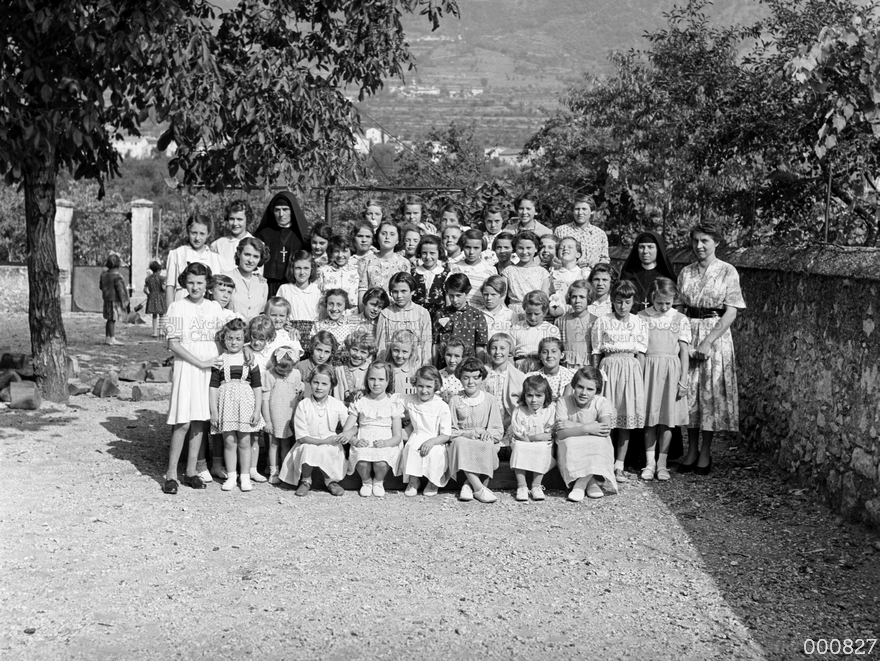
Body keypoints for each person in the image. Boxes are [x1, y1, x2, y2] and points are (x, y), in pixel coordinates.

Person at [676, 222, 746, 475]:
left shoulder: (728, 271)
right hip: (688, 332)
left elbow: (731, 312)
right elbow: (679, 308)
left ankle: (706, 451)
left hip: (714, 336)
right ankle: (690, 449)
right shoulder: (685, 272)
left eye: (705, 240)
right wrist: (682, 340)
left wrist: (707, 341)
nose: (699, 245)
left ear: (716, 242)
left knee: (709, 393)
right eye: (695, 240)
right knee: (689, 393)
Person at [163, 263, 224, 494]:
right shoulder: (176, 307)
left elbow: (221, 338)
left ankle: (191, 472)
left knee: (200, 420)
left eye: (200, 282)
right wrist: (199, 362)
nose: (195, 287)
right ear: (184, 283)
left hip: (209, 369)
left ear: (207, 284)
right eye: (190, 282)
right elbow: (172, 343)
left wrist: (218, 360)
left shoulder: (214, 307)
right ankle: (170, 473)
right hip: (187, 368)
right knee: (183, 421)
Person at [592, 279, 648, 483]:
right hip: (608, 370)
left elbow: (641, 353)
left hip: (630, 371)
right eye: (618, 302)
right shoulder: (602, 321)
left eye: (627, 302)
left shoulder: (639, 322)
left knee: (625, 419)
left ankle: (619, 465)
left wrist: (638, 380)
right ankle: (603, 462)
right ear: (612, 301)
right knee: (607, 418)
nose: (622, 306)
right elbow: (596, 353)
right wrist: (596, 379)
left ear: (633, 301)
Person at [639, 277, 691, 481]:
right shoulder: (643, 317)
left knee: (667, 421)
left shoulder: (680, 319)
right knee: (650, 420)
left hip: (671, 371)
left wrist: (683, 380)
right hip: (649, 371)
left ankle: (662, 463)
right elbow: (641, 351)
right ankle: (649, 462)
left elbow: (684, 352)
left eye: (668, 303)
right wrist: (640, 377)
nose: (663, 307)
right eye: (659, 302)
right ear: (652, 297)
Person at [209, 318, 263, 493]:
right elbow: (213, 387)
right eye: (230, 338)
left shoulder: (249, 359)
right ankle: (232, 476)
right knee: (229, 441)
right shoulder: (220, 360)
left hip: (245, 404)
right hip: (226, 405)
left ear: (244, 339)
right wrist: (214, 411)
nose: (234, 342)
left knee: (245, 441)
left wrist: (257, 410)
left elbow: (257, 387)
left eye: (238, 339)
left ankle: (245, 476)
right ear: (224, 339)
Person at [279, 364, 350, 497]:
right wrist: (323, 440)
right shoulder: (303, 405)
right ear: (310, 383)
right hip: (308, 441)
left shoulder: (337, 404)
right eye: (316, 382)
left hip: (331, 442)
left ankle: (330, 481)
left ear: (331, 386)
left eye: (324, 384)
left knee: (331, 450)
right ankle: (306, 480)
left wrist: (347, 433)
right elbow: (301, 437)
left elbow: (350, 424)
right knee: (308, 449)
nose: (319, 387)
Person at [343, 360, 405, 498]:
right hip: (364, 437)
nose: (376, 383)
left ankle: (378, 481)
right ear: (367, 380)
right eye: (372, 379)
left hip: (386, 440)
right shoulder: (360, 401)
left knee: (381, 462)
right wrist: (354, 441)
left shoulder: (393, 402)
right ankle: (366, 482)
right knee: (362, 461)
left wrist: (386, 443)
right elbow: (347, 429)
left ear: (388, 381)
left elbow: (397, 436)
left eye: (381, 379)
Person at [555, 366, 617, 501]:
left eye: (590, 389)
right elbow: (561, 434)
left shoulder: (601, 402)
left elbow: (606, 429)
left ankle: (580, 484)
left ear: (597, 390)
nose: (584, 392)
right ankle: (591, 482)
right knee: (570, 442)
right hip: (572, 442)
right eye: (580, 387)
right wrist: (587, 428)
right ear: (573, 386)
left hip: (591, 441)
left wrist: (575, 426)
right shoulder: (563, 401)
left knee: (602, 441)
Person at [447, 357, 504, 503]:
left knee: (487, 444)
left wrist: (488, 433)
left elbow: (497, 428)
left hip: (482, 437)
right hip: (463, 437)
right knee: (460, 443)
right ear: (460, 378)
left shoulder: (489, 399)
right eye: (466, 378)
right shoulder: (455, 400)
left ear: (482, 378)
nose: (470, 382)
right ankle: (479, 489)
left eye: (475, 378)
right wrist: (467, 434)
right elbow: (450, 429)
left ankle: (467, 486)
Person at [401, 365, 453, 497]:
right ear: (415, 384)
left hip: (435, 438)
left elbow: (446, 435)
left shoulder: (442, 406)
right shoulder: (410, 400)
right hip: (417, 434)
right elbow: (391, 400)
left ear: (436, 386)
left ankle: (433, 482)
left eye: (428, 387)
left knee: (436, 453)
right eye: (420, 386)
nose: (424, 390)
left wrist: (431, 442)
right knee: (412, 448)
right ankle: (413, 481)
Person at [260, 345, 304, 484]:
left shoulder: (296, 374)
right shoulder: (268, 374)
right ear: (275, 363)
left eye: (288, 370)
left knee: (286, 443)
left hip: (289, 414)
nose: (284, 373)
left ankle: (285, 471)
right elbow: (265, 399)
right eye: (280, 369)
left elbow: (298, 395)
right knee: (273, 444)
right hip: (274, 415)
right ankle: (274, 471)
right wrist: (267, 421)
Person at [509, 374, 556, 502]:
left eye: (538, 396)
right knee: (519, 447)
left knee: (542, 448)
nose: (533, 400)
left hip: (542, 444)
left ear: (546, 395)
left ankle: (536, 485)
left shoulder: (550, 410)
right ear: (524, 395)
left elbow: (548, 434)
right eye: (529, 395)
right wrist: (533, 438)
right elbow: (518, 432)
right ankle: (522, 486)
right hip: (521, 442)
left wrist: (531, 438)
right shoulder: (520, 410)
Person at [254, 192, 310, 296]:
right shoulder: (264, 233)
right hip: (268, 284)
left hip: (294, 284)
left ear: (292, 211)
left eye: (285, 209)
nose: (281, 214)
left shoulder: (301, 235)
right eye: (277, 210)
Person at [375, 271, 433, 366]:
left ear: (412, 291)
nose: (399, 296)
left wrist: (425, 368)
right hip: (391, 366)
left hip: (415, 366)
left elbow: (426, 346)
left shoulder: (422, 313)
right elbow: (381, 347)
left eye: (403, 291)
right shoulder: (385, 314)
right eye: (395, 292)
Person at [165, 214, 222, 306]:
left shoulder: (215, 258)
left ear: (208, 234)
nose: (197, 238)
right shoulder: (177, 254)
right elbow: (170, 286)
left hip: (206, 305)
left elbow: (216, 287)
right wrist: (170, 313)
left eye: (202, 234)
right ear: (188, 231)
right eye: (194, 233)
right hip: (182, 304)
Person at [433, 273, 488, 363]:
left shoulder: (477, 315)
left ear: (466, 292)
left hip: (468, 366)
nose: (454, 300)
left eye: (458, 295)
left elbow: (480, 346)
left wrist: (480, 367)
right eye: (451, 295)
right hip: (445, 365)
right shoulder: (441, 313)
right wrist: (434, 366)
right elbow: (436, 343)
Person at [619, 230, 678, 313]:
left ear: (658, 249)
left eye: (650, 247)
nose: (645, 251)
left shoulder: (666, 275)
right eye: (641, 247)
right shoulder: (629, 274)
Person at [357, 220, 411, 307]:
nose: (387, 237)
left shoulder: (404, 263)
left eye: (392, 234)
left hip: (395, 312)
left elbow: (406, 291)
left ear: (398, 240)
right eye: (383, 233)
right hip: (372, 310)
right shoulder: (366, 261)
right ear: (377, 237)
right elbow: (362, 289)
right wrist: (363, 312)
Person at [482, 333, 525, 441]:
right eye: (494, 348)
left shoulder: (518, 376)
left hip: (508, 418)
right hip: (487, 417)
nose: (497, 352)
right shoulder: (483, 372)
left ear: (510, 351)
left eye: (502, 348)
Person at [277, 250, 321, 347]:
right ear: (292, 269)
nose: (302, 272)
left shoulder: (317, 290)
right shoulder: (285, 289)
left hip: (313, 333)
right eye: (298, 268)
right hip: (290, 333)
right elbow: (278, 313)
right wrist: (285, 326)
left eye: (306, 268)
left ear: (311, 269)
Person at [553, 195, 610, 269]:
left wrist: (594, 265)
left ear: (592, 212)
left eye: (584, 209)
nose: (580, 212)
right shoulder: (561, 231)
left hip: (591, 276)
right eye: (577, 209)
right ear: (573, 211)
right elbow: (554, 255)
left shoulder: (599, 234)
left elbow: (604, 259)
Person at [500, 230, 550, 312]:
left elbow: (544, 300)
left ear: (536, 248)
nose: (524, 252)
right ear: (515, 249)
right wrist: (507, 313)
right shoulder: (508, 271)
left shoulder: (543, 273)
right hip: (513, 313)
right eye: (520, 248)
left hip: (535, 312)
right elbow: (501, 298)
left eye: (528, 248)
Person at [509, 290, 560, 366]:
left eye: (537, 314)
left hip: (542, 365)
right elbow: (509, 353)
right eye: (529, 313)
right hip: (520, 365)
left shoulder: (551, 330)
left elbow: (554, 352)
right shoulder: (516, 328)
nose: (532, 317)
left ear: (545, 312)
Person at [224, 236, 269, 320]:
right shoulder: (226, 278)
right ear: (238, 253)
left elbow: (262, 314)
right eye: (247, 254)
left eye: (256, 256)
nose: (251, 260)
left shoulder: (262, 284)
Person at [450, 229, 496, 309]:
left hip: (482, 314)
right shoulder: (455, 268)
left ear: (482, 247)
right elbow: (449, 294)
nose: (471, 252)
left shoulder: (489, 269)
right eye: (468, 247)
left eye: (476, 248)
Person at [555, 279, 595, 368]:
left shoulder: (595, 321)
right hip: (566, 365)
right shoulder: (561, 321)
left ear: (588, 298)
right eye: (574, 297)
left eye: (582, 297)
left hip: (586, 365)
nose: (577, 301)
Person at [313, 289, 357, 364]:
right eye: (331, 304)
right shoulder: (318, 326)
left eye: (339, 304)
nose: (334, 308)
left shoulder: (353, 326)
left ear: (345, 305)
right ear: (326, 304)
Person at [334, 328, 377, 405]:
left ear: (369, 354)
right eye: (354, 349)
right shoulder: (340, 370)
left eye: (363, 352)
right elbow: (338, 397)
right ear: (348, 348)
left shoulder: (372, 370)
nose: (357, 355)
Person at [211, 200, 256, 273]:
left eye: (239, 219)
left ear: (247, 220)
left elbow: (258, 275)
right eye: (232, 219)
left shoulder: (256, 244)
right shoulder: (217, 245)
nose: (235, 223)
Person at [525, 337, 574, 403]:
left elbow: (567, 403)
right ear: (540, 356)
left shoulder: (569, 376)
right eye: (545, 352)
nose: (549, 355)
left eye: (554, 351)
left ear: (562, 355)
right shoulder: (532, 377)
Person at [549, 237, 591, 313]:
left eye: (570, 247)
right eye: (562, 247)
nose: (565, 249)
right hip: (558, 315)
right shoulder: (553, 274)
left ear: (578, 254)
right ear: (558, 254)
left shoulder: (585, 274)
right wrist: (551, 290)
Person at [411, 235, 448, 317]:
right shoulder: (413, 273)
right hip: (416, 316)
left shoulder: (445, 274)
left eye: (432, 253)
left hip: (438, 317)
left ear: (439, 253)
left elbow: (448, 300)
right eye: (424, 253)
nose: (428, 257)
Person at [319, 235, 359, 306]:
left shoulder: (357, 270)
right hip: (330, 312)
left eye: (344, 251)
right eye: (336, 251)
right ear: (331, 252)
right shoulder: (323, 271)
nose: (340, 255)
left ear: (350, 251)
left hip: (352, 314)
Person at [296, 331, 338, 399]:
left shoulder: (332, 371)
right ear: (312, 348)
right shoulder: (300, 367)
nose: (322, 356)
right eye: (319, 350)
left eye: (326, 352)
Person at [100, 253, 129, 346]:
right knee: (112, 319)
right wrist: (124, 300)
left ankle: (107, 338)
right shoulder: (118, 276)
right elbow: (120, 290)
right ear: (118, 264)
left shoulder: (103, 274)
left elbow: (101, 286)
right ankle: (112, 338)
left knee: (109, 319)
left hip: (107, 299)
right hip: (115, 300)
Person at [480, 275, 515, 345]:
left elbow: (514, 338)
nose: (489, 298)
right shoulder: (477, 313)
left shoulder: (511, 314)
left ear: (501, 295)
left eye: (493, 294)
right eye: (486, 294)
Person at [385, 329, 420, 398]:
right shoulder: (386, 369)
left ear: (411, 352)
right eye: (396, 350)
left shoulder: (415, 371)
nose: (399, 355)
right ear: (391, 349)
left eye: (404, 352)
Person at [143, 260, 167, 339]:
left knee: (154, 315)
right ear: (159, 270)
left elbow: (145, 290)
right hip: (160, 297)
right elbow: (163, 288)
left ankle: (154, 332)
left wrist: (149, 295)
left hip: (152, 297)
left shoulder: (148, 279)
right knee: (162, 314)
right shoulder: (162, 278)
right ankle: (161, 331)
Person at [438, 337, 466, 402]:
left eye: (457, 356)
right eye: (448, 355)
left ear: (463, 357)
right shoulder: (438, 376)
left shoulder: (467, 376)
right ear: (443, 354)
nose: (452, 360)